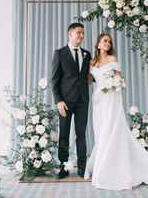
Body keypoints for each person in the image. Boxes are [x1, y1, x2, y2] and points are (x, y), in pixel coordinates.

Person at [84, 34, 148, 190]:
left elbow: (119, 80)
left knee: (111, 129)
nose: (107, 43)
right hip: (98, 99)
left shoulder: (113, 60)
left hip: (112, 97)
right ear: (98, 43)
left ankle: (109, 170)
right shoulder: (92, 61)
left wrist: (114, 84)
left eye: (109, 42)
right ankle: (101, 164)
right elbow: (89, 80)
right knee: (100, 132)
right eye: (104, 41)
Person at [51, 23, 92, 179]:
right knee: (64, 134)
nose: (81, 36)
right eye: (78, 33)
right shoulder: (59, 53)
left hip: (82, 100)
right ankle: (63, 167)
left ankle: (82, 167)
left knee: (81, 135)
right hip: (65, 101)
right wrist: (58, 101)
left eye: (83, 33)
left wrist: (92, 77)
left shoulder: (87, 54)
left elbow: (90, 74)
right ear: (70, 33)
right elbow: (54, 79)